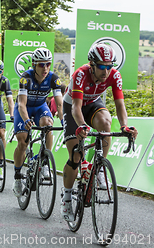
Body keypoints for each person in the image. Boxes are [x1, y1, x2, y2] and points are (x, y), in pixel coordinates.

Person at [60, 43, 138, 221]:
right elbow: (76, 107)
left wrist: (125, 126)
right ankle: (66, 198)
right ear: (92, 64)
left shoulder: (114, 76)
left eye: (110, 66)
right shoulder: (80, 74)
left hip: (93, 104)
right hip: (72, 107)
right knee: (76, 155)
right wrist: (81, 125)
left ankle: (100, 168)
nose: (106, 71)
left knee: (105, 123)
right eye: (102, 66)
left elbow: (120, 104)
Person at [12, 48, 63, 197]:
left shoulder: (54, 78)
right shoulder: (25, 78)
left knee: (48, 124)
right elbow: (21, 104)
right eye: (41, 65)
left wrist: (64, 121)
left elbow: (59, 105)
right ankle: (17, 177)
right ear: (34, 64)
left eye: (48, 64)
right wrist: (27, 119)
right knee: (22, 142)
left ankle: (45, 161)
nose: (45, 68)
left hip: (41, 107)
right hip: (24, 108)